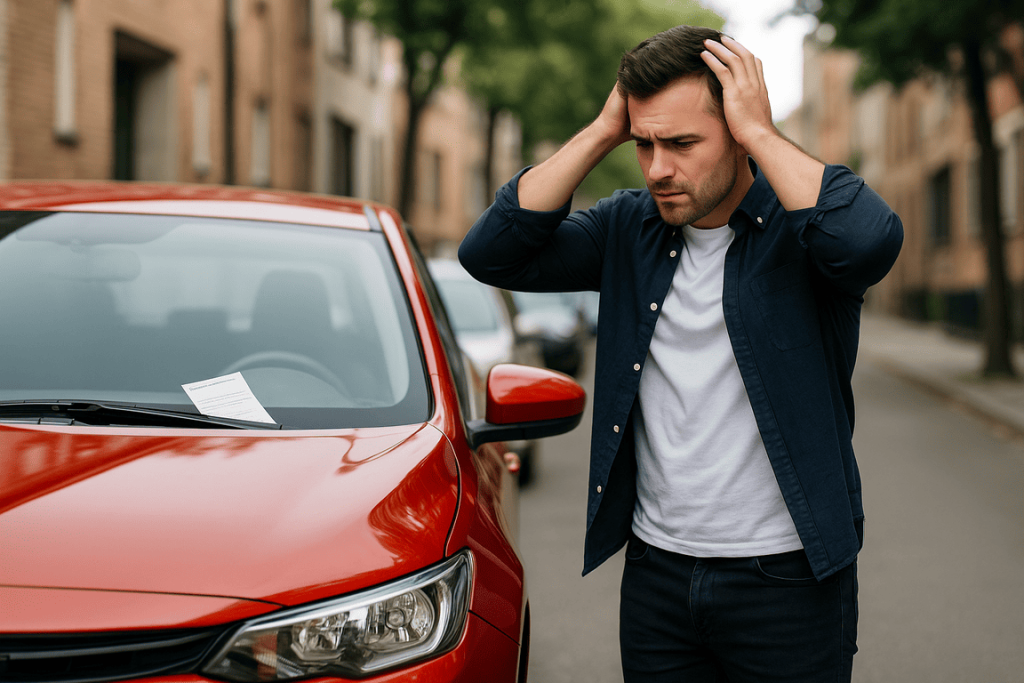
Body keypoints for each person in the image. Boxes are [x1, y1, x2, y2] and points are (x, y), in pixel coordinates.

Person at [459, 25, 902, 682]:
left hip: (787, 582)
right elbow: (491, 250)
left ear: (738, 129)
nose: (659, 167)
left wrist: (761, 133)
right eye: (645, 144)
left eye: (683, 143)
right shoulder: (629, 227)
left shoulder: (799, 230)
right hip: (658, 579)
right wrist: (605, 128)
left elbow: (870, 241)